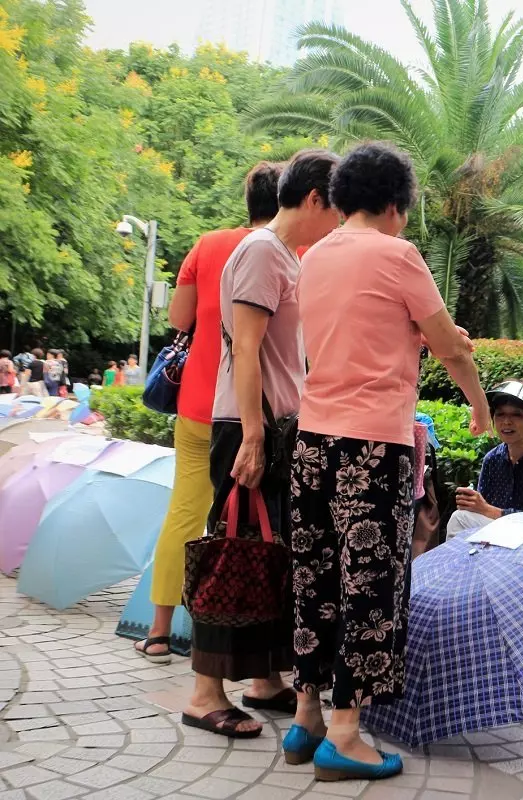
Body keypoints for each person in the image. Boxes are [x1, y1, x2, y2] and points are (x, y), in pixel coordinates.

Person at [286, 141, 489, 779]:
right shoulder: (398, 255)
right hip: (373, 447)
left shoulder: (312, 258)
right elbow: (451, 348)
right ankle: (345, 737)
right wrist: (479, 403)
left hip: (312, 443)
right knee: (369, 585)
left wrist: (417, 338)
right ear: (396, 205)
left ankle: (305, 716)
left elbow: (351, 335)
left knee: (316, 579)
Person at [181, 149, 341, 741]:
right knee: (233, 551)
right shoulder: (260, 252)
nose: (340, 222)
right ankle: (204, 694)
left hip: (272, 426)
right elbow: (244, 348)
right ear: (315, 199)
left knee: (268, 552)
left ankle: (263, 679)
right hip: (249, 426)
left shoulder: (284, 256)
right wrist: (252, 435)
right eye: (337, 208)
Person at [132, 162, 283, 667]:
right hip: (253, 412)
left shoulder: (208, 244)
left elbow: (179, 318)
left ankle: (159, 631)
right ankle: (229, 641)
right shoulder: (289, 252)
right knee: (249, 523)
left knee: (184, 512)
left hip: (197, 403)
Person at [446, 380, 523, 538]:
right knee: (460, 518)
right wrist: (473, 504)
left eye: (516, 415)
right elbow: (482, 510)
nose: (506, 422)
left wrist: (487, 509)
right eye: (500, 414)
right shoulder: (492, 459)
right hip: (501, 533)